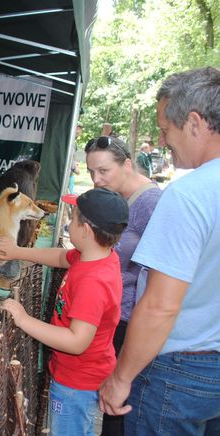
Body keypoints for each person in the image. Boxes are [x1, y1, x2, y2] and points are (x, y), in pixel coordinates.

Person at [98, 67, 220, 435]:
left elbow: (160, 305)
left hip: (179, 370)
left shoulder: (188, 195)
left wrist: (121, 377)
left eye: (167, 130)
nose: (164, 140)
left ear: (195, 123)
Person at [0, 188, 129, 435]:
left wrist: (23, 319)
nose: (68, 222)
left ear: (86, 231)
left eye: (72, 218)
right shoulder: (94, 256)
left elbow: (77, 341)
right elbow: (59, 257)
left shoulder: (93, 281)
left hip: (75, 384)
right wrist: (18, 252)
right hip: (79, 374)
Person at [84, 135, 162, 435]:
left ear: (127, 164)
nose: (95, 179)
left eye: (103, 171)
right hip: (115, 316)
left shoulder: (151, 204)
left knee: (120, 409)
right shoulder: (117, 198)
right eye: (91, 172)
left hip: (131, 322)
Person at [68, 123, 83, 194]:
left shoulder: (73, 142)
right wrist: (75, 168)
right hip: (68, 174)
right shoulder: (70, 142)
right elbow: (69, 157)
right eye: (77, 131)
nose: (78, 133)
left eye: (79, 131)